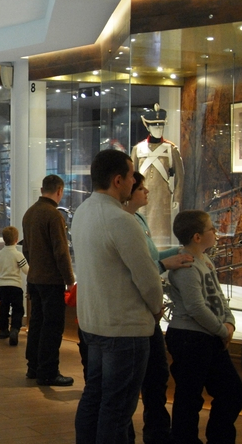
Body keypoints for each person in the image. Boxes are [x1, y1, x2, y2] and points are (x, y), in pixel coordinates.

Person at [73, 149, 163, 443]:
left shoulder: (83, 212)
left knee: (94, 397)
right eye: (132, 175)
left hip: (93, 323)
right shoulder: (121, 220)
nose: (135, 180)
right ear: (118, 180)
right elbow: (147, 278)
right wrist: (156, 307)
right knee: (116, 409)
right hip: (124, 328)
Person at [123, 171, 192, 444]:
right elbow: (139, 269)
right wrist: (165, 263)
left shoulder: (139, 219)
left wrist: (177, 254)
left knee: (157, 374)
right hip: (136, 313)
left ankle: (158, 432)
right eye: (142, 188)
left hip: (149, 312)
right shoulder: (125, 223)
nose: (147, 192)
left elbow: (151, 257)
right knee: (140, 379)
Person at [165, 210, 242, 443]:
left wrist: (229, 322)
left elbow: (217, 296)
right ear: (197, 237)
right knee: (189, 398)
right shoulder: (186, 265)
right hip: (190, 338)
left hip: (209, 336)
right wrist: (222, 330)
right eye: (211, 228)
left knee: (231, 391)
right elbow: (195, 307)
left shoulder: (205, 260)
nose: (216, 232)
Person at [21, 175, 74, 386]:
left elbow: (26, 249)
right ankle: (48, 371)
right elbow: (61, 252)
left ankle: (33, 367)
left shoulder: (30, 213)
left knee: (36, 323)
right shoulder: (54, 215)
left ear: (43, 189)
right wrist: (69, 278)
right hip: (51, 280)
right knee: (52, 326)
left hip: (34, 277)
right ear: (59, 191)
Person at [131, 103, 184, 247]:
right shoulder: (138, 149)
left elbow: (180, 176)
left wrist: (177, 197)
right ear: (148, 127)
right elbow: (131, 176)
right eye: (155, 126)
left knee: (162, 237)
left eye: (161, 126)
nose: (159, 129)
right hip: (141, 197)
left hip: (162, 198)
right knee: (142, 234)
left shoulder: (171, 149)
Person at [0, 226, 29, 346]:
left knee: (3, 308)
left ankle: (3, 330)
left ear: (4, 239)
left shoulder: (0, 254)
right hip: (16, 285)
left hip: (2, 286)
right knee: (17, 309)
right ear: (16, 239)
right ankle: (14, 329)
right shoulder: (18, 254)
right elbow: (26, 270)